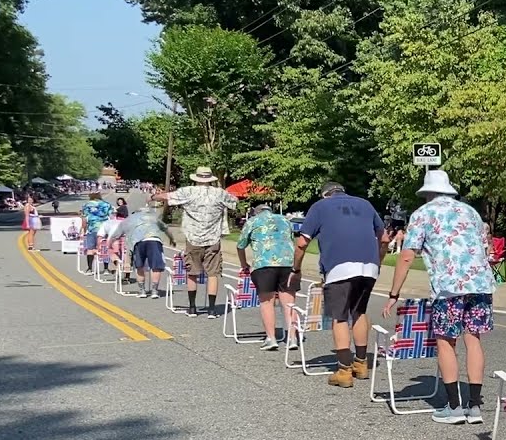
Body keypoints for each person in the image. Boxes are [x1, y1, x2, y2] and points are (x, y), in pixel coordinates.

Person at [384, 170, 495, 424]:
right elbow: (482, 245)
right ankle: (475, 406)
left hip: (448, 286)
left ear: (427, 194)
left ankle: (454, 407)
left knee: (446, 341)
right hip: (480, 283)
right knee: (473, 339)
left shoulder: (423, 214)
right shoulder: (470, 212)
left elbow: (407, 256)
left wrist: (394, 293)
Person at [293, 182, 387, 388]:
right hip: (368, 267)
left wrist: (296, 269)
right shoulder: (365, 204)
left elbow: (302, 243)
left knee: (340, 316)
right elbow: (385, 238)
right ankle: (361, 364)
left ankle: (344, 371)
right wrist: (377, 262)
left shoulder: (319, 207)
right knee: (359, 312)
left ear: (325, 195)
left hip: (339, 268)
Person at [153, 166, 238, 318]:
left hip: (193, 237)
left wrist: (153, 197)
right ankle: (211, 309)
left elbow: (167, 196)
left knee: (192, 272)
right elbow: (234, 201)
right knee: (213, 273)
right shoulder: (220, 193)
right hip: (213, 237)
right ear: (210, 179)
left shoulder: (188, 191)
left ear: (196, 178)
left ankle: (192, 308)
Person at [237, 204, 298, 351]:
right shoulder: (284, 220)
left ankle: (271, 338)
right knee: (289, 302)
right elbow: (291, 239)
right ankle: (292, 338)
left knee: (267, 302)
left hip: (264, 264)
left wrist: (244, 264)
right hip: (287, 263)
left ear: (256, 212)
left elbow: (240, 245)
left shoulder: (252, 221)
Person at [110, 203, 175, 298]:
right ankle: (154, 291)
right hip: (154, 240)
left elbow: (117, 233)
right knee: (156, 267)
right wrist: (172, 239)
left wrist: (110, 242)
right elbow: (166, 228)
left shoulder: (130, 219)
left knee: (139, 266)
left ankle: (142, 290)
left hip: (138, 241)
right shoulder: (154, 217)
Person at [79, 192, 114, 273]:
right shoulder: (107, 204)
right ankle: (106, 268)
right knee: (105, 248)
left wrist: (84, 230)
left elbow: (84, 219)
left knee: (90, 249)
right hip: (104, 229)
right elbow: (111, 217)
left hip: (92, 228)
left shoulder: (87, 205)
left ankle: (90, 268)